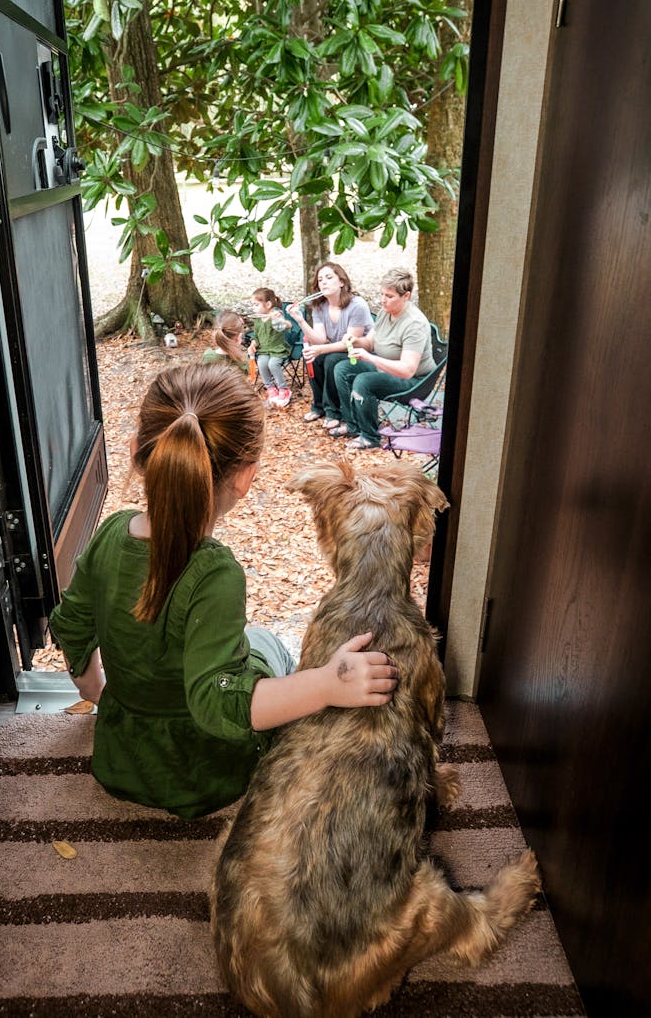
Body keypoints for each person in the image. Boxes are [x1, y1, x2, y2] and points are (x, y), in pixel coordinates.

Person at [49, 365, 398, 820]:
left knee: (244, 642)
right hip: (205, 774)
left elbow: (72, 628)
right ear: (245, 477)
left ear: (136, 453)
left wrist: (101, 696)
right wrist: (328, 684)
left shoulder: (110, 533)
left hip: (122, 761)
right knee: (268, 643)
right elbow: (221, 705)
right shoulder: (215, 574)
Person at [333, 267, 436, 449]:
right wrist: (356, 341)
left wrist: (371, 359)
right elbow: (371, 343)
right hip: (388, 370)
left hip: (415, 381)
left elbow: (407, 370)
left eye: (389, 296)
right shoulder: (384, 313)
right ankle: (353, 425)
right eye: (382, 294)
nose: (382, 300)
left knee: (364, 381)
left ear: (406, 296)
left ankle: (370, 436)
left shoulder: (414, 324)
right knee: (343, 368)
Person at [288, 262, 373, 428]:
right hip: (336, 349)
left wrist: (320, 349)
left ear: (341, 282)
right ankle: (318, 406)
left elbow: (350, 343)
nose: (323, 282)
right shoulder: (320, 307)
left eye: (329, 277)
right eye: (320, 280)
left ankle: (333, 411)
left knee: (330, 359)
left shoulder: (357, 305)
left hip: (360, 352)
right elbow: (319, 340)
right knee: (311, 357)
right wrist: (300, 320)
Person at [247, 287, 293, 408]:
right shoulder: (257, 320)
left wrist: (278, 319)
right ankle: (271, 388)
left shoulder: (276, 315)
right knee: (262, 363)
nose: (253, 308)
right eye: (252, 305)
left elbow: (287, 326)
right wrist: (253, 344)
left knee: (273, 364)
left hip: (278, 349)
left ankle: (284, 389)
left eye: (256, 305)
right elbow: (256, 336)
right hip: (264, 350)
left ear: (268, 304)